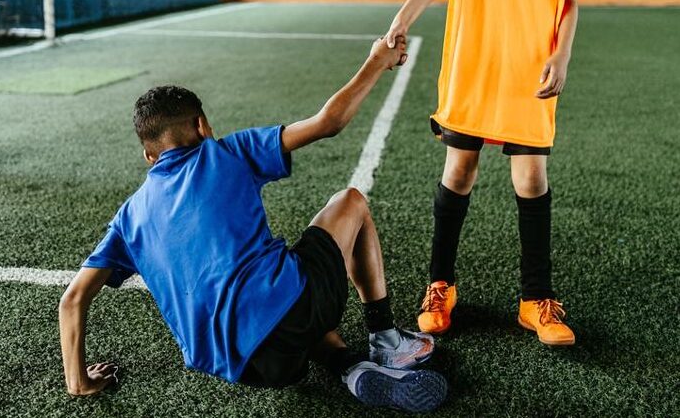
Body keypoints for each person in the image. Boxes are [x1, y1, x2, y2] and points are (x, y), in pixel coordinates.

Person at [58, 37, 447, 413]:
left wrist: (80, 382)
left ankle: (349, 367)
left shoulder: (127, 218)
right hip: (293, 310)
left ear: (148, 156)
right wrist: (378, 61)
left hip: (247, 368)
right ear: (202, 125)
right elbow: (329, 122)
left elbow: (73, 300)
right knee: (350, 202)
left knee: (272, 311)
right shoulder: (225, 152)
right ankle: (385, 338)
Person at [384, 0, 589, 346]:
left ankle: (535, 301)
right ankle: (440, 286)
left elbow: (569, 0)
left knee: (531, 179)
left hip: (530, 71)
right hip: (473, 66)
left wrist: (562, 55)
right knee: (459, 170)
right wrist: (401, 20)